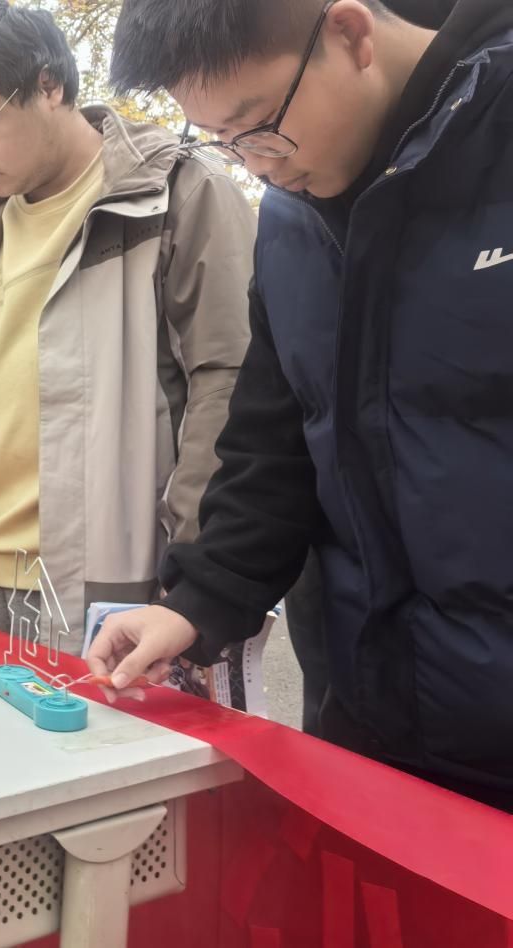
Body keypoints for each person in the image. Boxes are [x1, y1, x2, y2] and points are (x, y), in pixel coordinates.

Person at [95, 0, 513, 810]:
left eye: (260, 127)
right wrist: (200, 603)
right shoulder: (289, 222)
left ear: (350, 34)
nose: (256, 165)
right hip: (373, 722)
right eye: (223, 141)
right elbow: (275, 438)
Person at [0, 1, 256, 637]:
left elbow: (226, 383)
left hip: (117, 593)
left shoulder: (174, 193)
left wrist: (195, 572)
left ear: (48, 86)